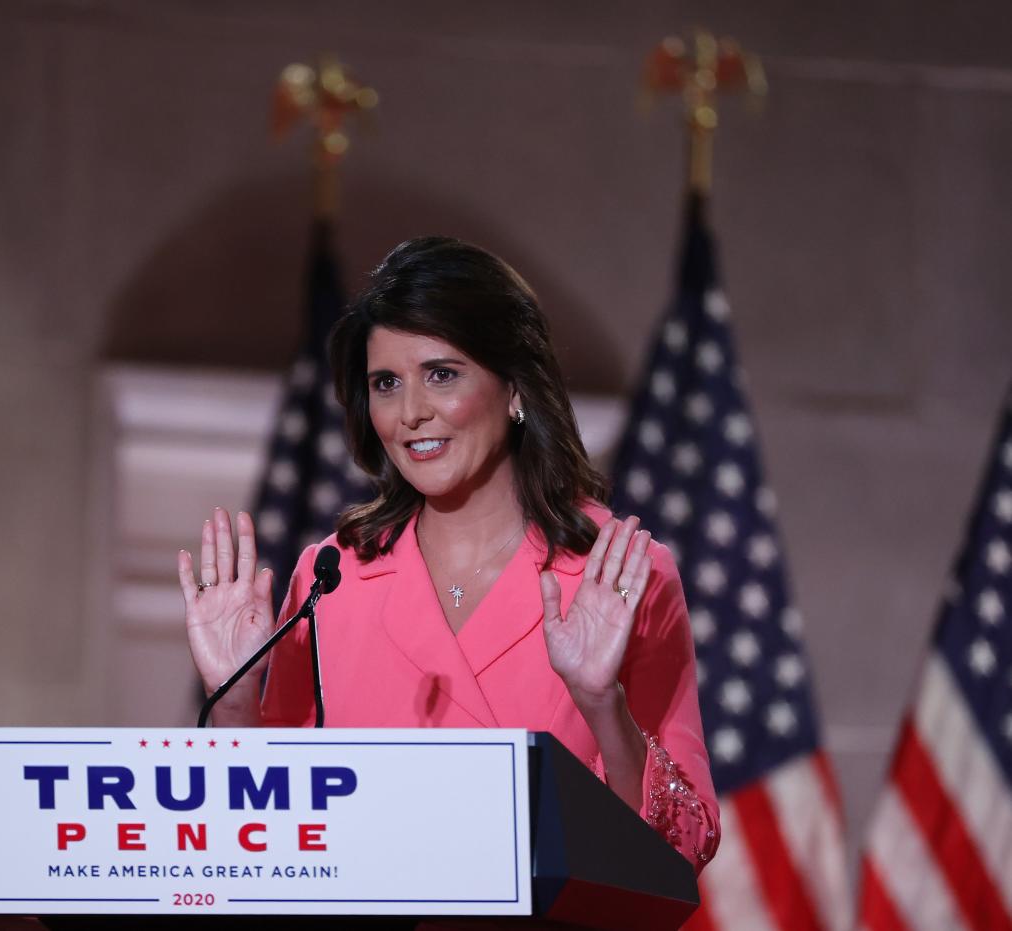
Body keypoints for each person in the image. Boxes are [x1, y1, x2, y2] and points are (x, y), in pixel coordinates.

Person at [179, 237, 719, 871]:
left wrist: (604, 706)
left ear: (515, 388)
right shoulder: (334, 577)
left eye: (442, 374)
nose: (410, 413)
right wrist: (236, 700)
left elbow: (681, 847)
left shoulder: (623, 575)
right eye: (386, 383)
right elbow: (269, 838)